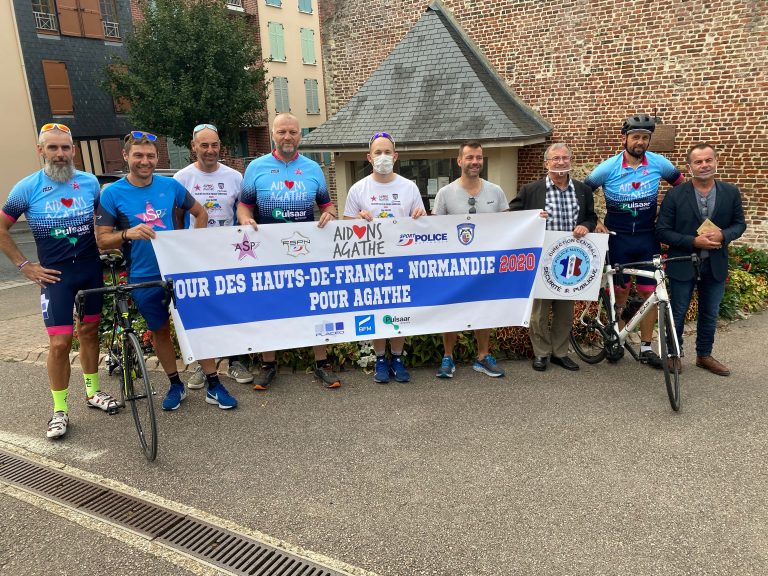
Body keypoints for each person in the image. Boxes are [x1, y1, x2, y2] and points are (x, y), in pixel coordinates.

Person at [96, 130, 238, 410]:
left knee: (198, 325)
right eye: (138, 155)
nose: (145, 161)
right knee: (159, 330)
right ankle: (175, 384)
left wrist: (191, 245)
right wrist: (127, 234)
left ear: (157, 157)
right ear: (126, 156)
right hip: (143, 274)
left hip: (177, 271)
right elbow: (102, 239)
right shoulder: (111, 193)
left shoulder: (170, 186)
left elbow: (201, 213)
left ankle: (213, 384)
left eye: (150, 155)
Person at [0, 123, 116, 438]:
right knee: (60, 343)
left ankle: (93, 393)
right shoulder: (27, 187)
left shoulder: (90, 182)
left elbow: (101, 223)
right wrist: (24, 265)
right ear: (41, 151)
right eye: (53, 148)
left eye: (65, 148)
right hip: (55, 277)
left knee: (90, 332)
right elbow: (1, 228)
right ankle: (59, 410)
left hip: (90, 269)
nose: (60, 154)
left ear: (73, 151)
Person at [237, 113, 341, 390]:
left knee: (314, 304)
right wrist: (245, 219)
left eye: (293, 132)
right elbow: (244, 205)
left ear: (300, 135)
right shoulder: (256, 167)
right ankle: (268, 364)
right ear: (273, 133)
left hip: (305, 250)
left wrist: (329, 215)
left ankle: (322, 363)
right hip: (268, 251)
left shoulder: (313, 169)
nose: (287, 137)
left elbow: (327, 206)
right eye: (282, 132)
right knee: (268, 306)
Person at [585, 114, 685, 368]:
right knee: (619, 292)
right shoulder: (608, 167)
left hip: (646, 237)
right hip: (617, 239)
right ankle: (617, 340)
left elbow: (682, 188)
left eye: (644, 137)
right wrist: (594, 220)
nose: (640, 142)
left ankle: (646, 347)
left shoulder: (659, 163)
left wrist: (670, 216)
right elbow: (583, 192)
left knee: (649, 292)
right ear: (625, 139)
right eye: (635, 137)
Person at [173, 123, 253, 388]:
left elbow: (243, 210)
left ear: (220, 146)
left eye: (214, 145)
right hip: (195, 256)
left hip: (229, 252)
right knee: (201, 310)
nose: (210, 150)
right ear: (193, 146)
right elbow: (176, 219)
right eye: (204, 145)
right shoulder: (182, 178)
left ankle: (236, 361)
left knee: (233, 307)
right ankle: (203, 366)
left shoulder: (234, 177)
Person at [343, 132, 427, 383]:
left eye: (387, 152)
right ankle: (380, 359)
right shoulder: (358, 189)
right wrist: (357, 219)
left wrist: (420, 214)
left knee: (400, 310)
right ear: (369, 157)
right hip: (372, 262)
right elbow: (346, 225)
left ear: (396, 156)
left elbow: (421, 221)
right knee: (378, 310)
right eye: (378, 152)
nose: (383, 157)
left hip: (401, 259)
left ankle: (398, 358)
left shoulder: (408, 187)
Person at [656, 143, 746, 376]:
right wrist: (693, 242)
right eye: (698, 162)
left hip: (715, 263)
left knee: (710, 312)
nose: (704, 165)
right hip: (683, 262)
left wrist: (724, 235)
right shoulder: (675, 195)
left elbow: (739, 224)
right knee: (677, 312)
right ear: (689, 166)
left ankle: (704, 355)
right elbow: (662, 231)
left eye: (708, 160)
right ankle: (674, 355)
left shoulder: (730, 192)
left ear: (716, 162)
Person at [510, 143, 597, 372]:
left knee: (565, 311)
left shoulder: (583, 190)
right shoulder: (531, 190)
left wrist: (585, 226)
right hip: (541, 258)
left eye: (564, 158)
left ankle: (560, 352)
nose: (560, 162)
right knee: (539, 311)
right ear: (546, 163)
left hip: (570, 259)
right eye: (555, 158)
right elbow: (513, 216)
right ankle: (541, 353)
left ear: (571, 161)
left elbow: (591, 217)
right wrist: (532, 217)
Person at [432, 140, 508, 378]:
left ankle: (483, 357)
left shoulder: (496, 191)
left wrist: (535, 219)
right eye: (470, 158)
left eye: (479, 158)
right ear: (459, 161)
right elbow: (435, 229)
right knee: (451, 310)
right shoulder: (445, 194)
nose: (475, 162)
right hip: (453, 266)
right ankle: (448, 357)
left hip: (486, 266)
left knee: (484, 310)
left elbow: (510, 225)